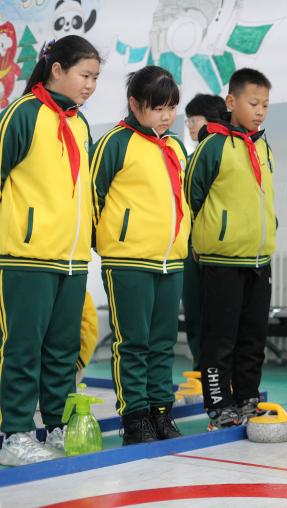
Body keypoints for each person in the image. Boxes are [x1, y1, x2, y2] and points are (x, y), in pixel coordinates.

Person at [0, 35, 100, 466]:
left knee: (62, 348)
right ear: (56, 69)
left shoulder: (79, 123)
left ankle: (58, 425)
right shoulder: (22, 114)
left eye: (96, 78)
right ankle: (15, 434)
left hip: (72, 259)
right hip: (26, 257)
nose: (90, 85)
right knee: (23, 348)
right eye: (85, 75)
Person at [91, 65, 190, 445]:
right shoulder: (115, 142)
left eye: (171, 107)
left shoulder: (176, 145)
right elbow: (93, 197)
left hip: (171, 260)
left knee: (163, 342)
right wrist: (111, 243)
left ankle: (160, 412)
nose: (166, 115)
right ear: (134, 103)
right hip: (128, 261)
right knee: (132, 343)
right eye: (157, 107)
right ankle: (135, 418)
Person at [186, 68, 276, 430]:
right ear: (231, 102)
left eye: (266, 104)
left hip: (259, 258)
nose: (260, 111)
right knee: (220, 339)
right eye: (253, 103)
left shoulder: (263, 144)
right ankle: (219, 405)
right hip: (221, 259)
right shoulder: (213, 145)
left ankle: (248, 398)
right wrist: (206, 236)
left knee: (253, 336)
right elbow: (191, 195)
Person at [182, 94, 228, 371]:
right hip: (190, 246)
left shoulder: (226, 152)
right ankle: (201, 367)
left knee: (219, 315)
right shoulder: (189, 157)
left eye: (193, 120)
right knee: (195, 311)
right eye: (187, 119)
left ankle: (220, 370)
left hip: (218, 248)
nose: (188, 125)